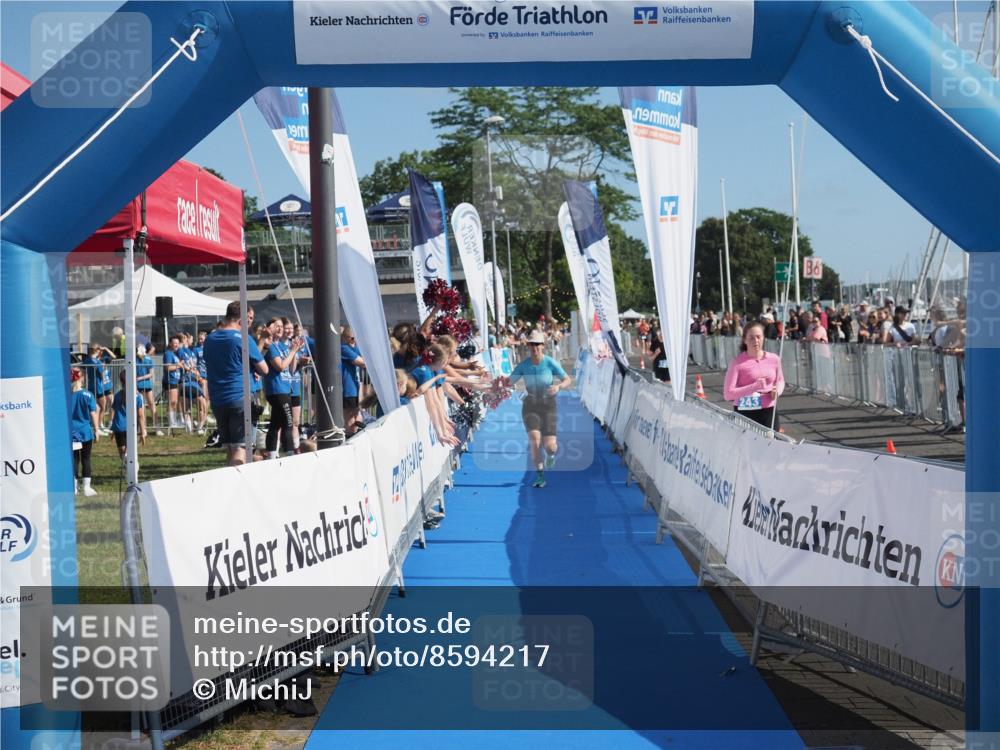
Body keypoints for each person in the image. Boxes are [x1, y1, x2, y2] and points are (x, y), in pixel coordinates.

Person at [505, 330, 573, 488]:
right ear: (528, 346)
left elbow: (567, 379)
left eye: (537, 344)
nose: (534, 347)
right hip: (530, 406)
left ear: (543, 345)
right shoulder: (524, 365)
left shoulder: (550, 363)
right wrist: (498, 382)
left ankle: (551, 455)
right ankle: (540, 476)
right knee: (535, 441)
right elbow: (509, 381)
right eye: (531, 344)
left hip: (549, 406)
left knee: (550, 446)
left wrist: (558, 387)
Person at [203, 301, 268, 466]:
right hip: (240, 397)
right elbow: (264, 369)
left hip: (218, 399)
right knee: (241, 450)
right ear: (243, 319)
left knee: (231, 449)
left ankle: (227, 486)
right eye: (250, 319)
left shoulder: (209, 339)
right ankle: (236, 489)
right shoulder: (243, 338)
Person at [723, 322, 785, 430]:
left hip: (769, 409)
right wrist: (754, 387)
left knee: (772, 443)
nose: (756, 341)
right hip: (745, 411)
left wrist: (777, 391)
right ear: (745, 340)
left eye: (758, 337)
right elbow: (728, 394)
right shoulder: (737, 363)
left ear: (763, 338)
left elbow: (780, 381)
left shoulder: (774, 359)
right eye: (751, 338)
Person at [262, 317, 304, 459]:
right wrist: (292, 352)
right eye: (276, 326)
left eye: (281, 326)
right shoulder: (271, 347)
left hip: (285, 389)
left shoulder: (282, 346)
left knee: (276, 423)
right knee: (288, 422)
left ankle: (272, 455)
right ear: (269, 329)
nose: (280, 329)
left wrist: (294, 351)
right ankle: (290, 454)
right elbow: (279, 366)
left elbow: (291, 369)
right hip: (276, 389)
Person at [70, 367, 99, 496]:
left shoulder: (66, 394)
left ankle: (74, 488)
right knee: (86, 459)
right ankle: (86, 488)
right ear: (81, 378)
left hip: (71, 433)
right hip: (85, 432)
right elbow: (93, 414)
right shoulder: (88, 395)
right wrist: (97, 430)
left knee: (74, 460)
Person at [109, 370, 147, 459]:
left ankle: (125, 467)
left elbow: (115, 413)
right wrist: (143, 431)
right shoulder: (137, 397)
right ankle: (129, 467)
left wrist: (114, 429)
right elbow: (140, 416)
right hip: (131, 427)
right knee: (130, 453)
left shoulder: (117, 395)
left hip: (119, 427)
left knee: (123, 453)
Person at [340, 326, 365, 436]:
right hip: (347, 389)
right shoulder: (343, 348)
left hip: (355, 389)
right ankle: (350, 441)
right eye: (352, 338)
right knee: (350, 420)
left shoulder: (355, 348)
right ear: (345, 338)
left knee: (357, 417)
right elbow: (363, 362)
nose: (354, 341)